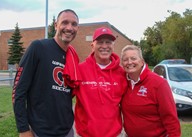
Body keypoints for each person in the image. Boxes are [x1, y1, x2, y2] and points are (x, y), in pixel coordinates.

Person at [12, 9, 80, 137]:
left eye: (74, 24)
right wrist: (23, 129)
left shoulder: (73, 56)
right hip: (39, 130)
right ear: (56, 25)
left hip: (66, 131)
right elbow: (18, 90)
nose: (69, 28)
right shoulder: (38, 47)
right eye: (65, 22)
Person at [73, 27, 127, 137]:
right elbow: (63, 98)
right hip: (85, 134)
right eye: (100, 42)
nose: (104, 46)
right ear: (92, 45)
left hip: (114, 134)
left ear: (113, 45)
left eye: (108, 42)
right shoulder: (80, 70)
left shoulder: (122, 73)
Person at [121, 45, 181, 137]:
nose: (129, 62)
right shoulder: (123, 82)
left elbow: (170, 118)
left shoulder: (159, 83)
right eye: (125, 59)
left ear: (142, 61)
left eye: (133, 58)